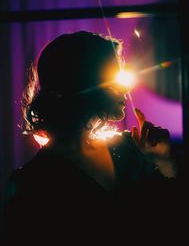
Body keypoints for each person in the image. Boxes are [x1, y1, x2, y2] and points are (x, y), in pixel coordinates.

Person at [3, 31, 178, 246]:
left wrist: (163, 161)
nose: (126, 87)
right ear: (82, 84)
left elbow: (172, 222)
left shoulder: (129, 148)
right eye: (113, 77)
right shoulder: (33, 182)